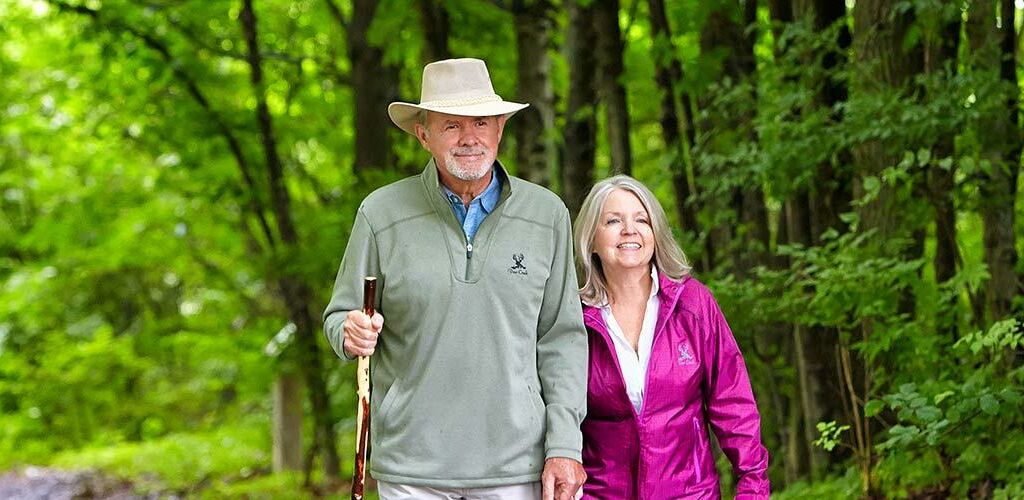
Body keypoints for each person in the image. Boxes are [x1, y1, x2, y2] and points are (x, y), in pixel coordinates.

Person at [323, 58, 588, 500]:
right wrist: (349, 332)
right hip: (411, 468)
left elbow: (562, 340)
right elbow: (339, 317)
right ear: (423, 134)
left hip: (516, 467)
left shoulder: (547, 215)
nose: (469, 138)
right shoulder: (380, 214)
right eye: (451, 126)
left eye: (481, 122)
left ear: (500, 129)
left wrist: (564, 445)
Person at [573, 175, 770, 499]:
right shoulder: (575, 318)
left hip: (691, 493)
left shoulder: (693, 305)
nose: (629, 230)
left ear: (655, 233)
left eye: (641, 219)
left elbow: (734, 405)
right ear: (591, 239)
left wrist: (753, 487)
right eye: (612, 221)